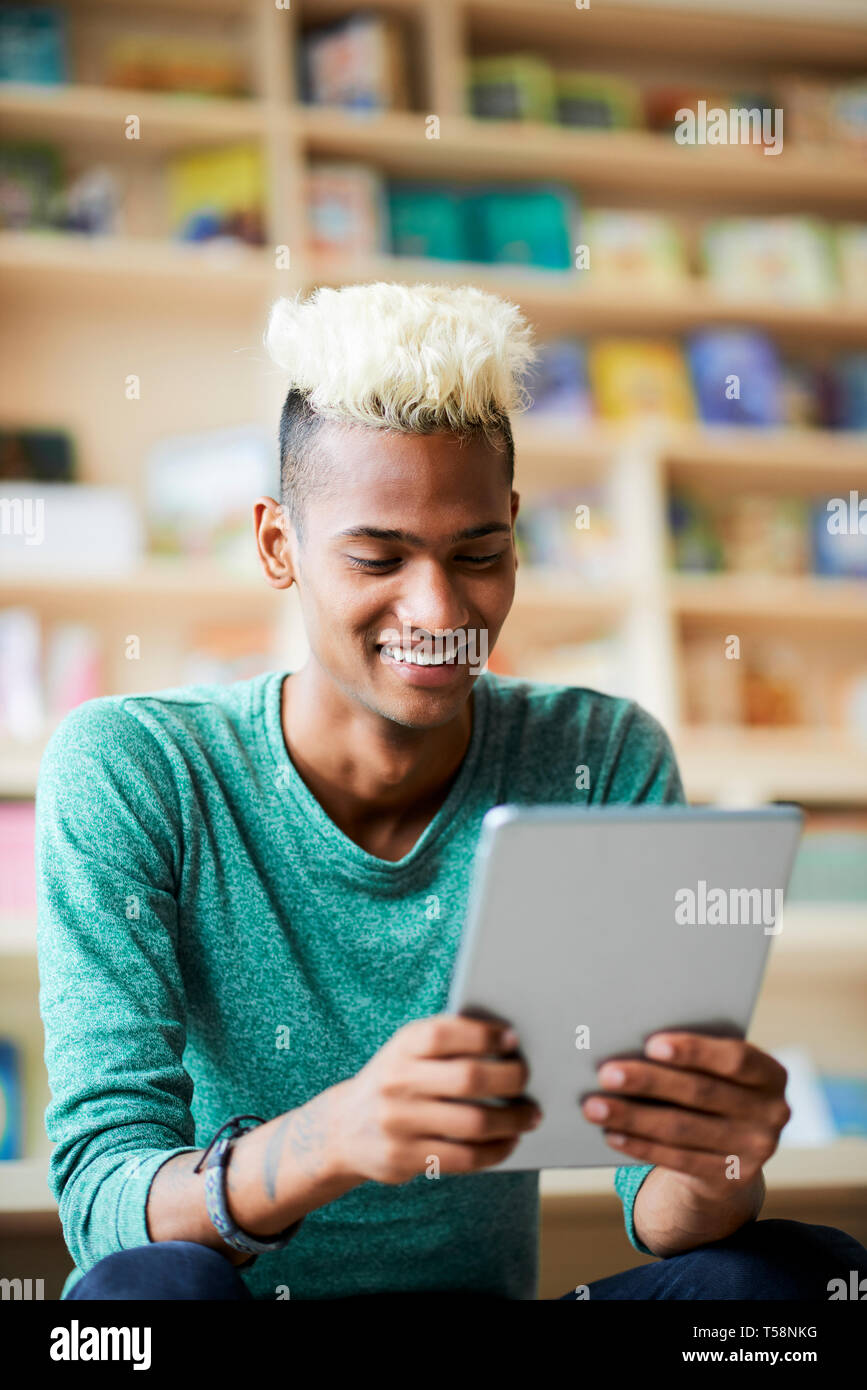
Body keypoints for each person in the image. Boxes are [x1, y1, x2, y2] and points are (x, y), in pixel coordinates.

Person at [36, 282, 867, 1301]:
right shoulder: (137, 769)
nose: (438, 610)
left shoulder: (599, 756)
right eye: (378, 557)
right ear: (276, 545)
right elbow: (101, 1196)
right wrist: (332, 1138)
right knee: (138, 1299)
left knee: (789, 1279)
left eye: (477, 554)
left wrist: (714, 1159)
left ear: (514, 528)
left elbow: (658, 1205)